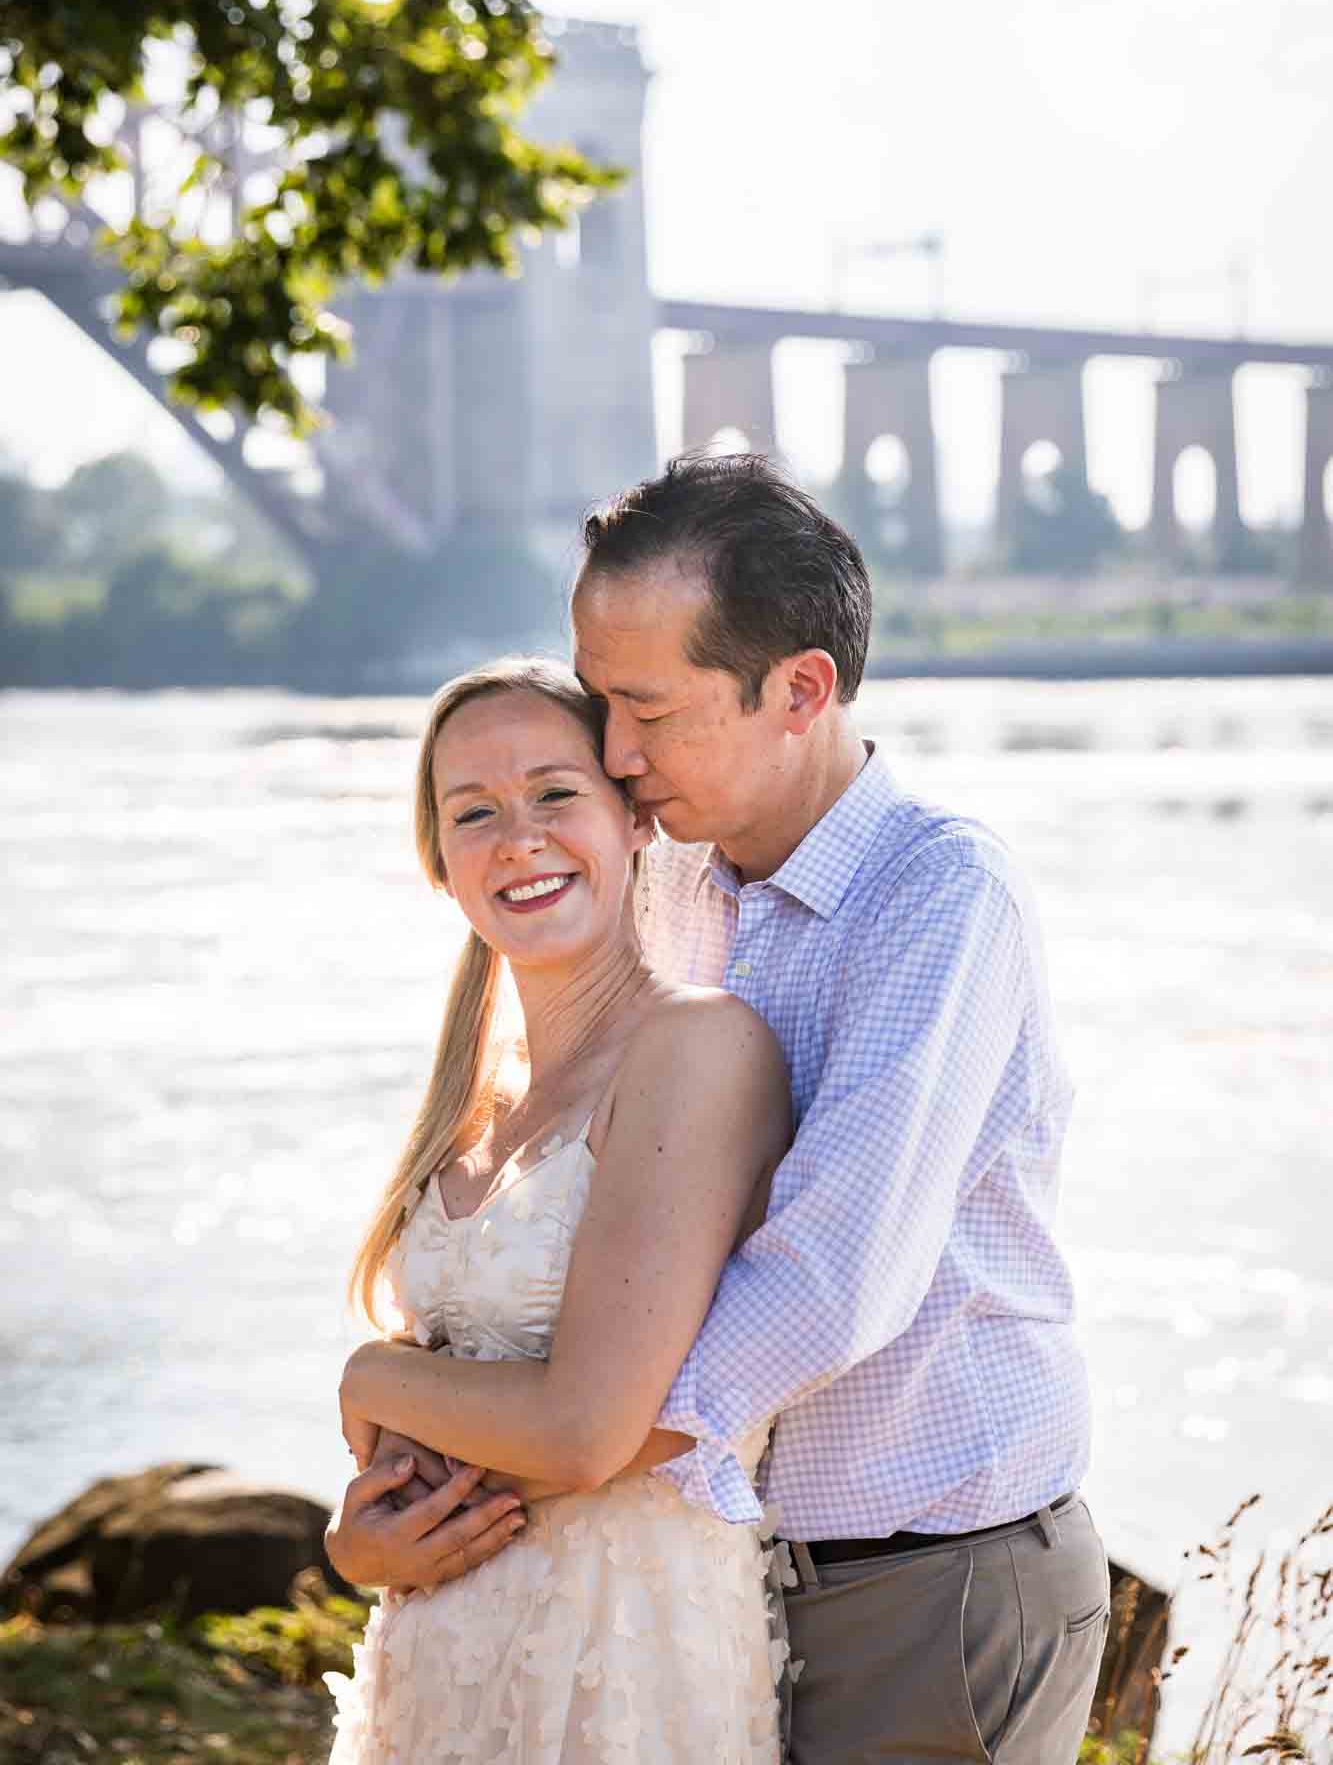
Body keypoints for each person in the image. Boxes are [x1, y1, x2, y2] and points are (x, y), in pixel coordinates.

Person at [563, 453, 1109, 1765]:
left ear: (801, 690)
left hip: (928, 1585)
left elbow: (829, 1279)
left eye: (647, 709)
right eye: (596, 703)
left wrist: (553, 1448)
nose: (614, 755)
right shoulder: (669, 880)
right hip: (723, 1569)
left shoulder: (939, 899)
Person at [323, 656, 790, 1764]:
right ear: (440, 864)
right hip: (437, 1664)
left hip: (618, 1665)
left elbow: (585, 1431)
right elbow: (447, 1432)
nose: (518, 836)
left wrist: (367, 1377)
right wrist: (359, 1546)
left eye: (555, 792)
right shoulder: (473, 1104)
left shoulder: (696, 1049)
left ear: (634, 818)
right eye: (472, 810)